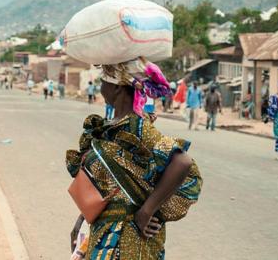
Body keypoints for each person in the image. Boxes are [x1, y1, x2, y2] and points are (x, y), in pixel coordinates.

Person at [67, 58, 202, 260]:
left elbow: (182, 162)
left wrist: (146, 212)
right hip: (103, 233)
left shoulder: (137, 127)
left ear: (118, 87)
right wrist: (82, 220)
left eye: (104, 82)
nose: (101, 87)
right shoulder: (111, 127)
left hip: (129, 238)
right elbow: (108, 187)